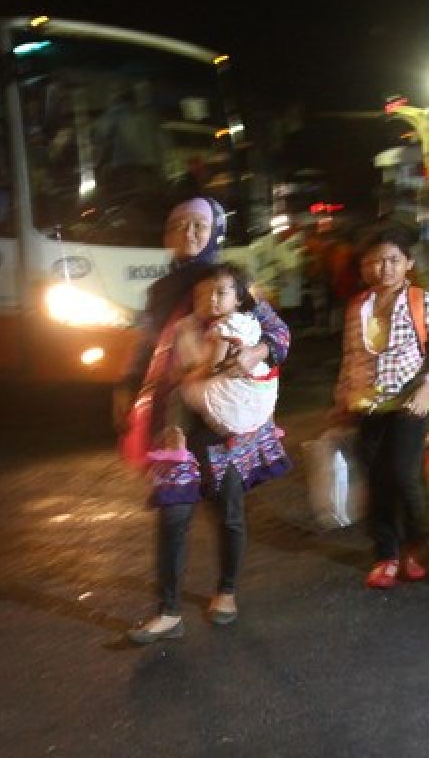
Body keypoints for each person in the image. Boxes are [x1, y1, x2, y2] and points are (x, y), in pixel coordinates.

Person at [116, 197, 291, 645]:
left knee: (228, 510)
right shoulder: (161, 292)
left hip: (226, 425)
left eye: (199, 225)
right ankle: (168, 611)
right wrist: (126, 386)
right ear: (168, 235)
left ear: (214, 230)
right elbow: (146, 346)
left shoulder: (236, 282)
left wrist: (256, 351)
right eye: (179, 226)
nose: (190, 234)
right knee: (172, 513)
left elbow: (279, 335)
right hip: (177, 421)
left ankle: (226, 590)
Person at [332, 225, 429, 588]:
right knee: (376, 481)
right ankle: (386, 553)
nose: (382, 268)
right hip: (366, 405)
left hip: (409, 404)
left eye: (391, 260)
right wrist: (341, 397)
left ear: (408, 263)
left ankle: (416, 542)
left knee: (402, 475)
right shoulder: (358, 306)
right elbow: (350, 356)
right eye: (373, 261)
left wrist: (427, 388)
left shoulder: (421, 301)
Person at [175, 262, 279, 437]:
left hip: (234, 394)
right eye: (201, 296)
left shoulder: (224, 327)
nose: (211, 299)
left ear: (239, 298)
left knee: (180, 396)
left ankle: (176, 441)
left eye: (220, 293)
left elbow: (214, 366)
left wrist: (191, 378)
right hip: (259, 391)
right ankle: (269, 427)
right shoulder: (247, 319)